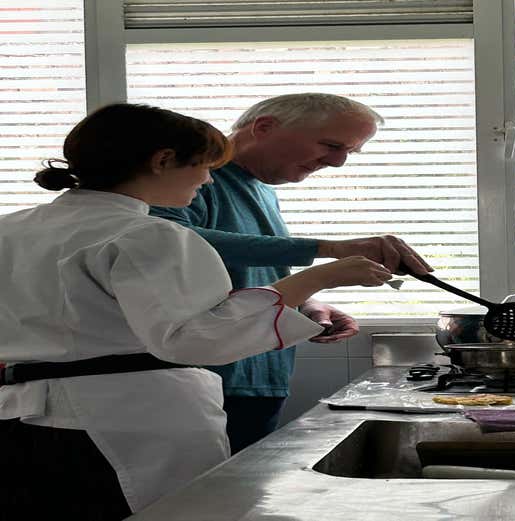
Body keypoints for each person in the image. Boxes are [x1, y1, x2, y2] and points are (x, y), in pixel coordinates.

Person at [0, 103, 393, 519]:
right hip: (128, 422)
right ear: (163, 161)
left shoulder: (13, 228)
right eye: (204, 166)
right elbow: (196, 339)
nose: (207, 179)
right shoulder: (149, 234)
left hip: (20, 415)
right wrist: (318, 278)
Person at [150, 93, 433, 453]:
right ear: (264, 127)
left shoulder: (261, 190)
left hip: (261, 376)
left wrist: (307, 305)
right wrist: (327, 249)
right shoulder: (188, 180)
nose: (337, 163)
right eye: (331, 145)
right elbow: (171, 240)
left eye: (348, 152)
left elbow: (243, 268)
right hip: (206, 375)